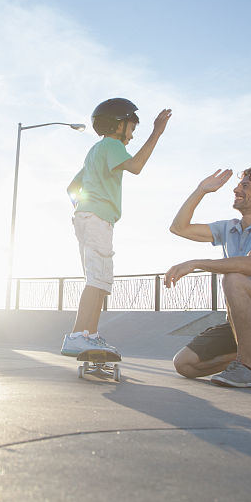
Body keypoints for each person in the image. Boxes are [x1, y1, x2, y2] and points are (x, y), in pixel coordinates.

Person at [165, 168, 251, 388]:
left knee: (234, 277)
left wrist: (196, 263)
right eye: (238, 185)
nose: (236, 189)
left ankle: (245, 368)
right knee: (184, 365)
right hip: (240, 323)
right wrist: (201, 191)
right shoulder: (229, 228)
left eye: (245, 185)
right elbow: (179, 228)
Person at [61, 98, 172, 358]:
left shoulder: (95, 151)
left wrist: (84, 210)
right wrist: (157, 133)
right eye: (132, 128)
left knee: (100, 281)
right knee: (96, 279)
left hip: (89, 218)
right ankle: (78, 336)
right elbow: (136, 166)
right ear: (119, 124)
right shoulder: (111, 145)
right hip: (97, 219)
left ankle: (89, 336)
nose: (133, 136)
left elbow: (71, 189)